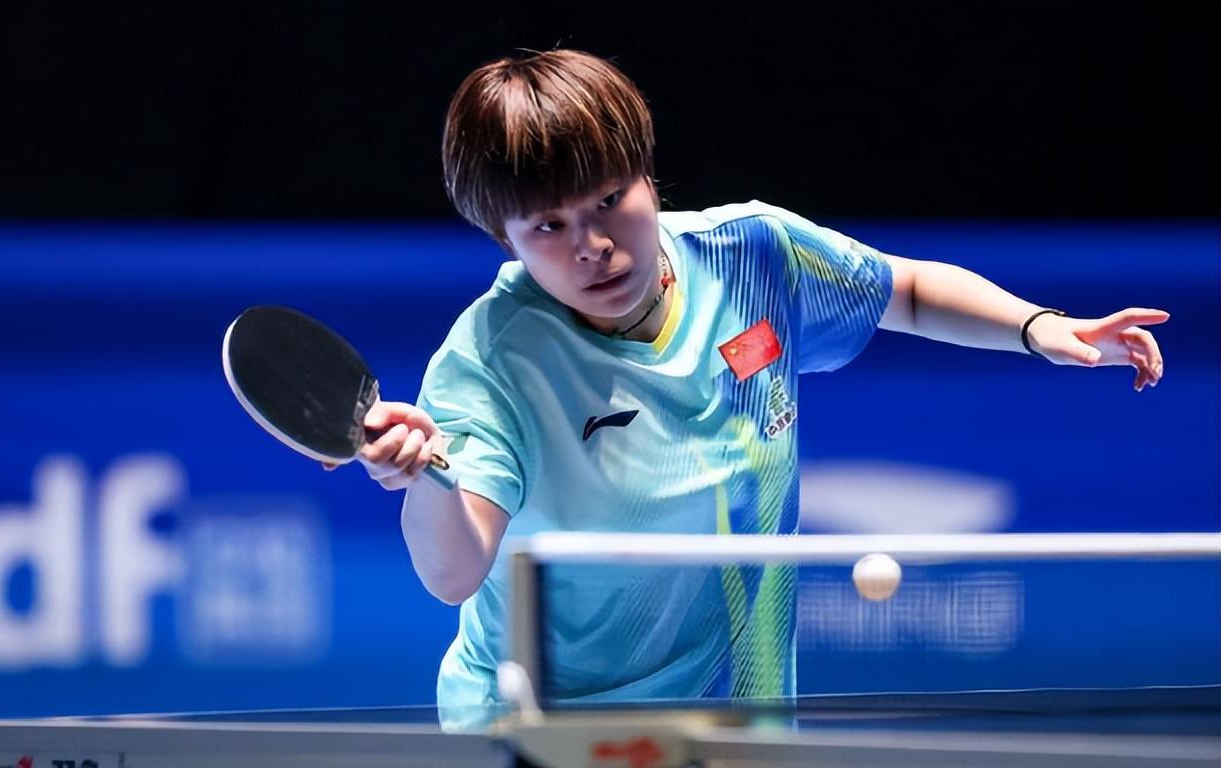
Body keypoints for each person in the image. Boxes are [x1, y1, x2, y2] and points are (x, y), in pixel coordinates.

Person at [351, 49, 1167, 729]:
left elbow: (907, 291)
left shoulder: (751, 255)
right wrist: (423, 475)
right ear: (505, 237)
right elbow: (455, 571)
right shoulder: (493, 359)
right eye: (549, 226)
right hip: (550, 728)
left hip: (739, 720)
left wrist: (1039, 327)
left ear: (646, 175)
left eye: (609, 200)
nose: (592, 244)